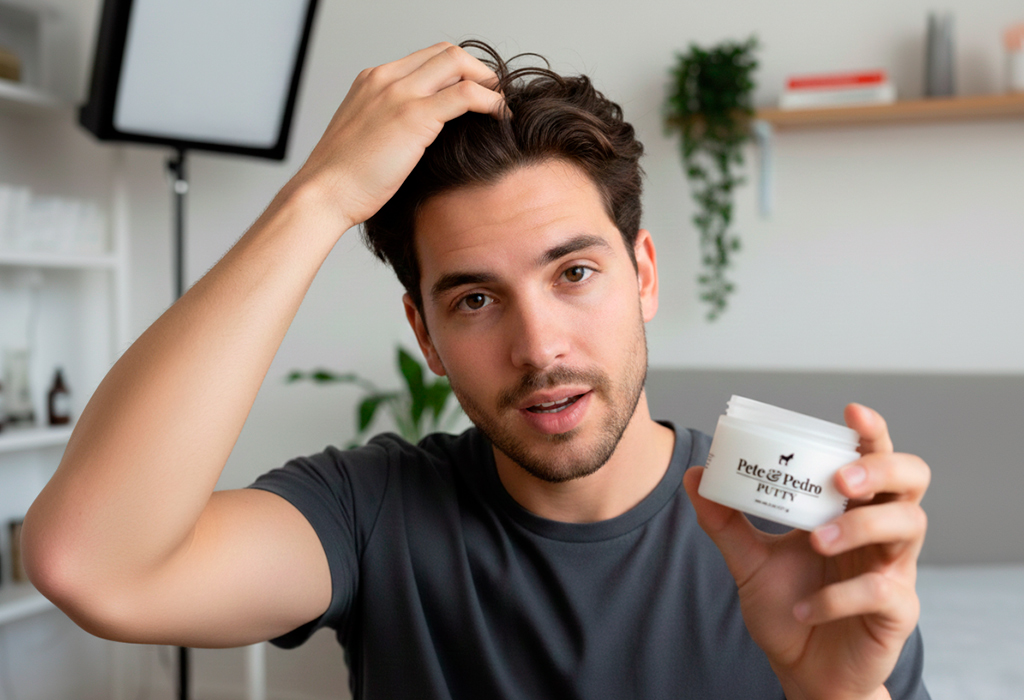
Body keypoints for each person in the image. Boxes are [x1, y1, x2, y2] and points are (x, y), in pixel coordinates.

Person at [21, 40, 931, 699]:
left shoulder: (806, 547)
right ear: (425, 333)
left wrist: (837, 697)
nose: (540, 348)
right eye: (476, 300)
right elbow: (91, 564)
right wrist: (320, 197)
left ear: (643, 274)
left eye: (575, 273)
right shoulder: (371, 514)